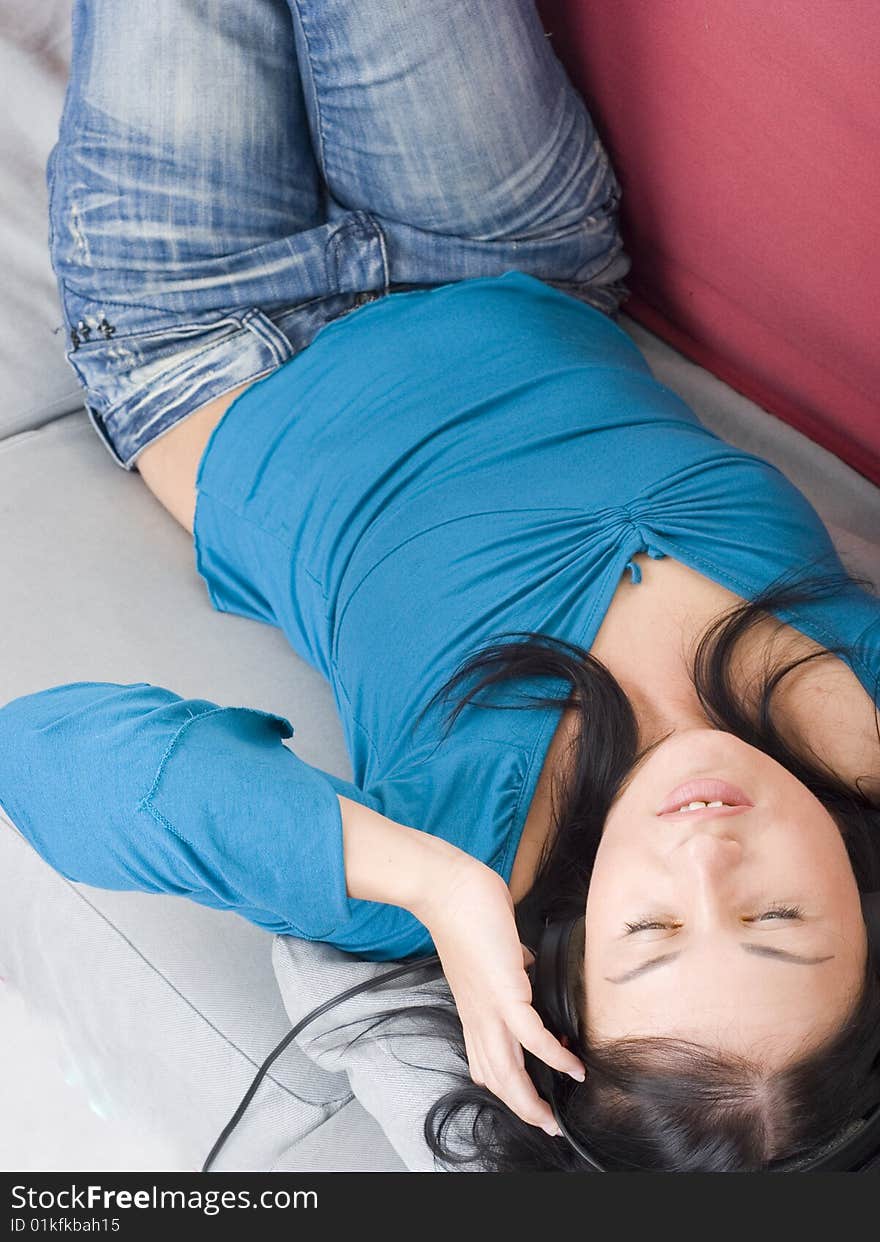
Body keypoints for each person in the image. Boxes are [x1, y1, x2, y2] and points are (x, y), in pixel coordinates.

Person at [1, 0, 878, 1171]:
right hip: (510, 255)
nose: (709, 858)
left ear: (567, 962)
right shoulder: (858, 703)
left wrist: (430, 887)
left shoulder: (447, 855)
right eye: (780, 918)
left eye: (652, 932)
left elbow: (45, 757)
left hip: (205, 332)